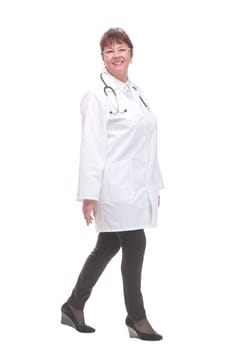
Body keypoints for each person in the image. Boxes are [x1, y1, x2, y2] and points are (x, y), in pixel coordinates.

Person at [61, 27, 165, 341]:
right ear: (103, 57)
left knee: (109, 243)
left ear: (131, 53)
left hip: (138, 186)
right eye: (109, 51)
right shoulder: (96, 94)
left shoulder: (137, 92)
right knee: (135, 242)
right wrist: (89, 196)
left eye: (121, 49)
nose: (116, 55)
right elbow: (91, 146)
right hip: (113, 186)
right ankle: (136, 317)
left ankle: (74, 304)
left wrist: (154, 185)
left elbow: (148, 142)